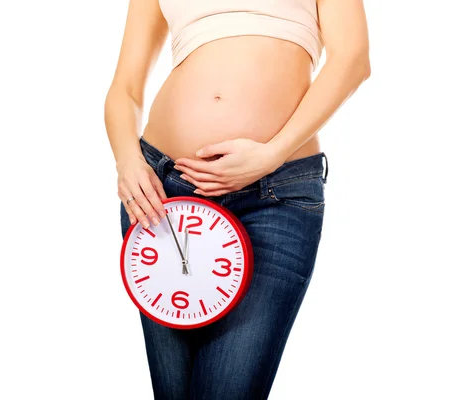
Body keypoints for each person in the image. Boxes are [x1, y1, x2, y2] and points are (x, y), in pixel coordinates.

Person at [104, 0, 370, 398]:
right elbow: (125, 88)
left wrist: (272, 153)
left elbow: (353, 59)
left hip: (274, 197)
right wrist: (127, 160)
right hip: (163, 195)